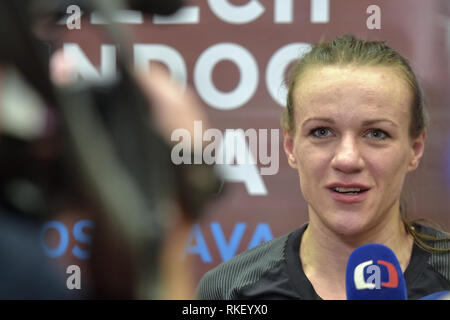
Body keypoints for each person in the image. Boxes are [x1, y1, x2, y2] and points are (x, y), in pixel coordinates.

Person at [196, 34, 450, 300]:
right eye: (321, 132)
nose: (347, 159)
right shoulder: (229, 292)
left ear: (415, 148)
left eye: (376, 133)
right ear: (291, 145)